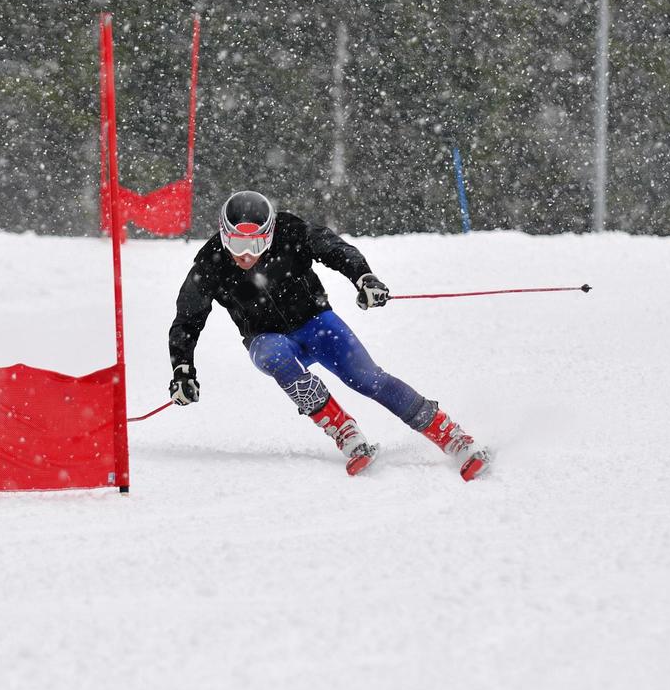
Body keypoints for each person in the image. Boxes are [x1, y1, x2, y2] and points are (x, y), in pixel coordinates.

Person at [167, 190, 490, 479]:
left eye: (255, 245)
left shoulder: (290, 231)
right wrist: (183, 371)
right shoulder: (210, 262)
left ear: (269, 235)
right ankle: (343, 429)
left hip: (316, 324)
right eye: (237, 244)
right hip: (266, 337)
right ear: (224, 236)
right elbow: (187, 319)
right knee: (272, 355)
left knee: (368, 379)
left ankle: (450, 435)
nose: (246, 255)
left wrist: (363, 277)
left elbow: (334, 249)